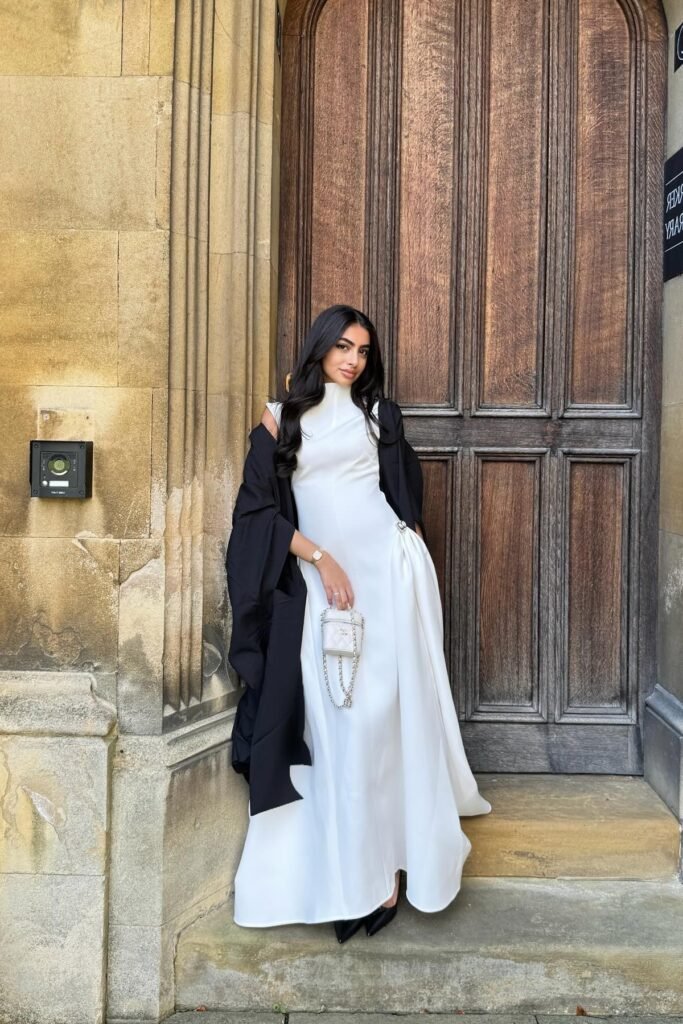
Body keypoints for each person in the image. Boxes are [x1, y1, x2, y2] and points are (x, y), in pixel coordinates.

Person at [226, 304, 492, 943]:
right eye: (343, 346)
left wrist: (413, 574)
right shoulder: (280, 417)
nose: (352, 360)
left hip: (388, 579)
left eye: (364, 351)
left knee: (387, 721)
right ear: (319, 348)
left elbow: (404, 501)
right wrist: (320, 557)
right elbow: (256, 513)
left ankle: (392, 875)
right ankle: (353, 873)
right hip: (323, 585)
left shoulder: (380, 415)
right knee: (339, 722)